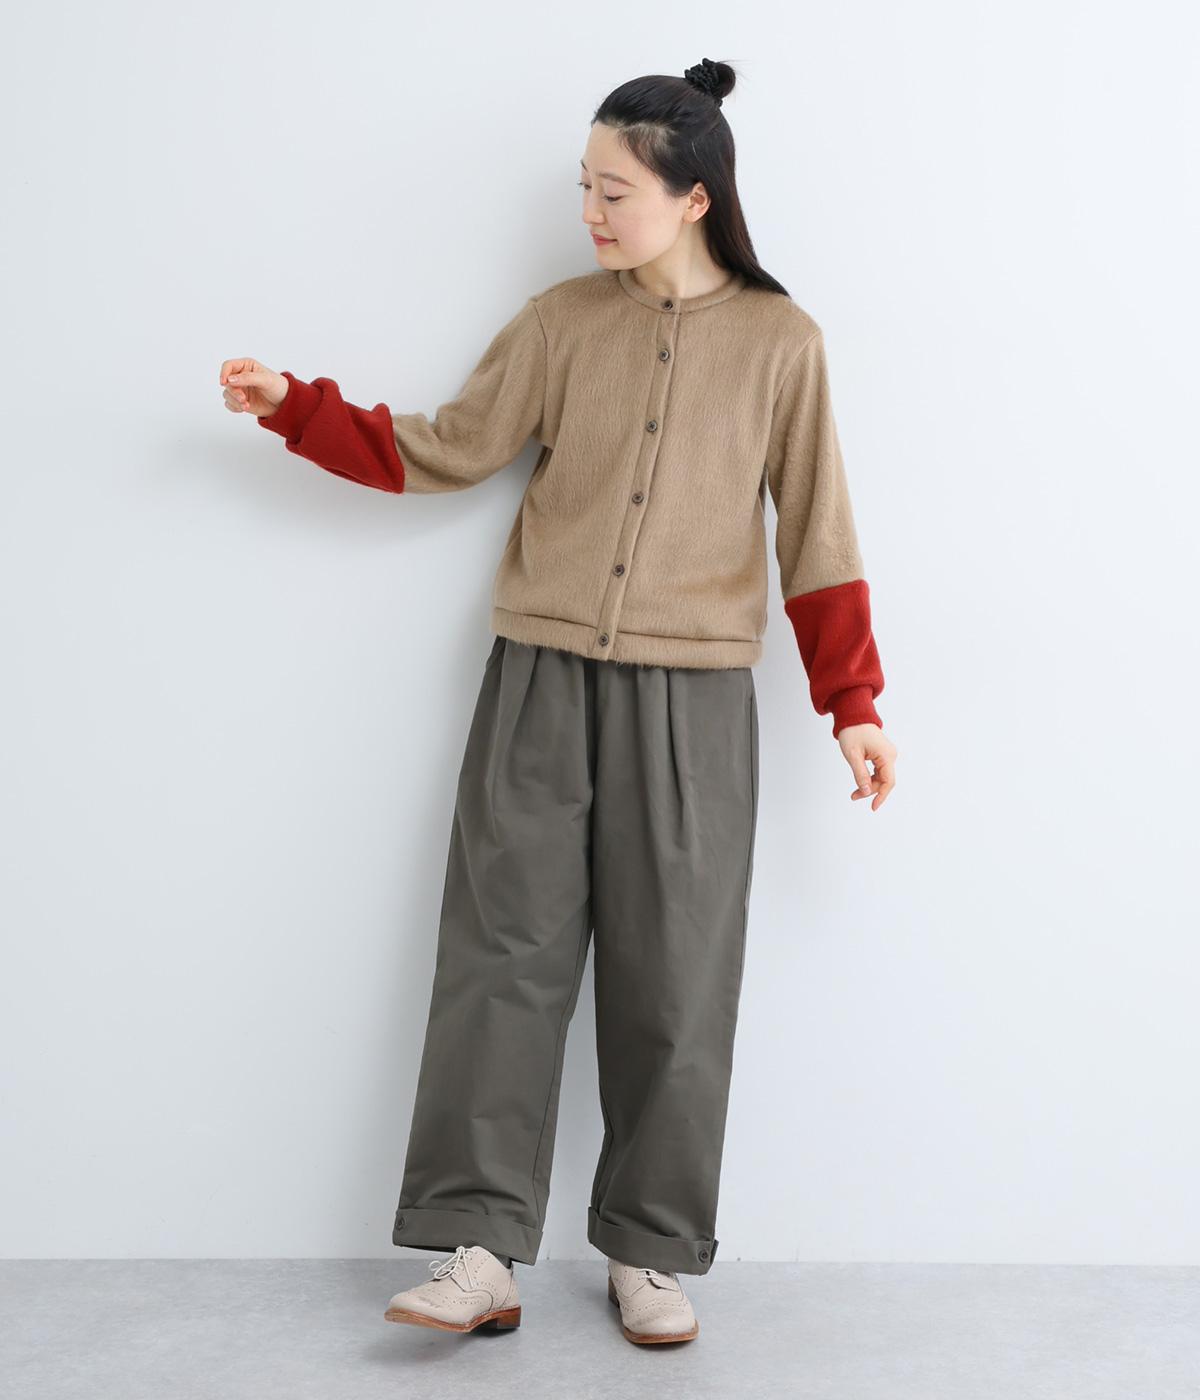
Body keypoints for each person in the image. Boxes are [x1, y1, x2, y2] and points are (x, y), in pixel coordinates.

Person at [219, 56, 898, 1347]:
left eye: (614, 192)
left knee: (676, 980)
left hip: (696, 704)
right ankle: (478, 1250)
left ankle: (650, 1250)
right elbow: (448, 448)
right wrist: (296, 409)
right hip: (538, 683)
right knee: (502, 959)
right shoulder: (558, 324)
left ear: (695, 198)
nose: (589, 212)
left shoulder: (783, 345)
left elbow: (818, 533)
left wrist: (851, 701)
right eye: (582, 186)